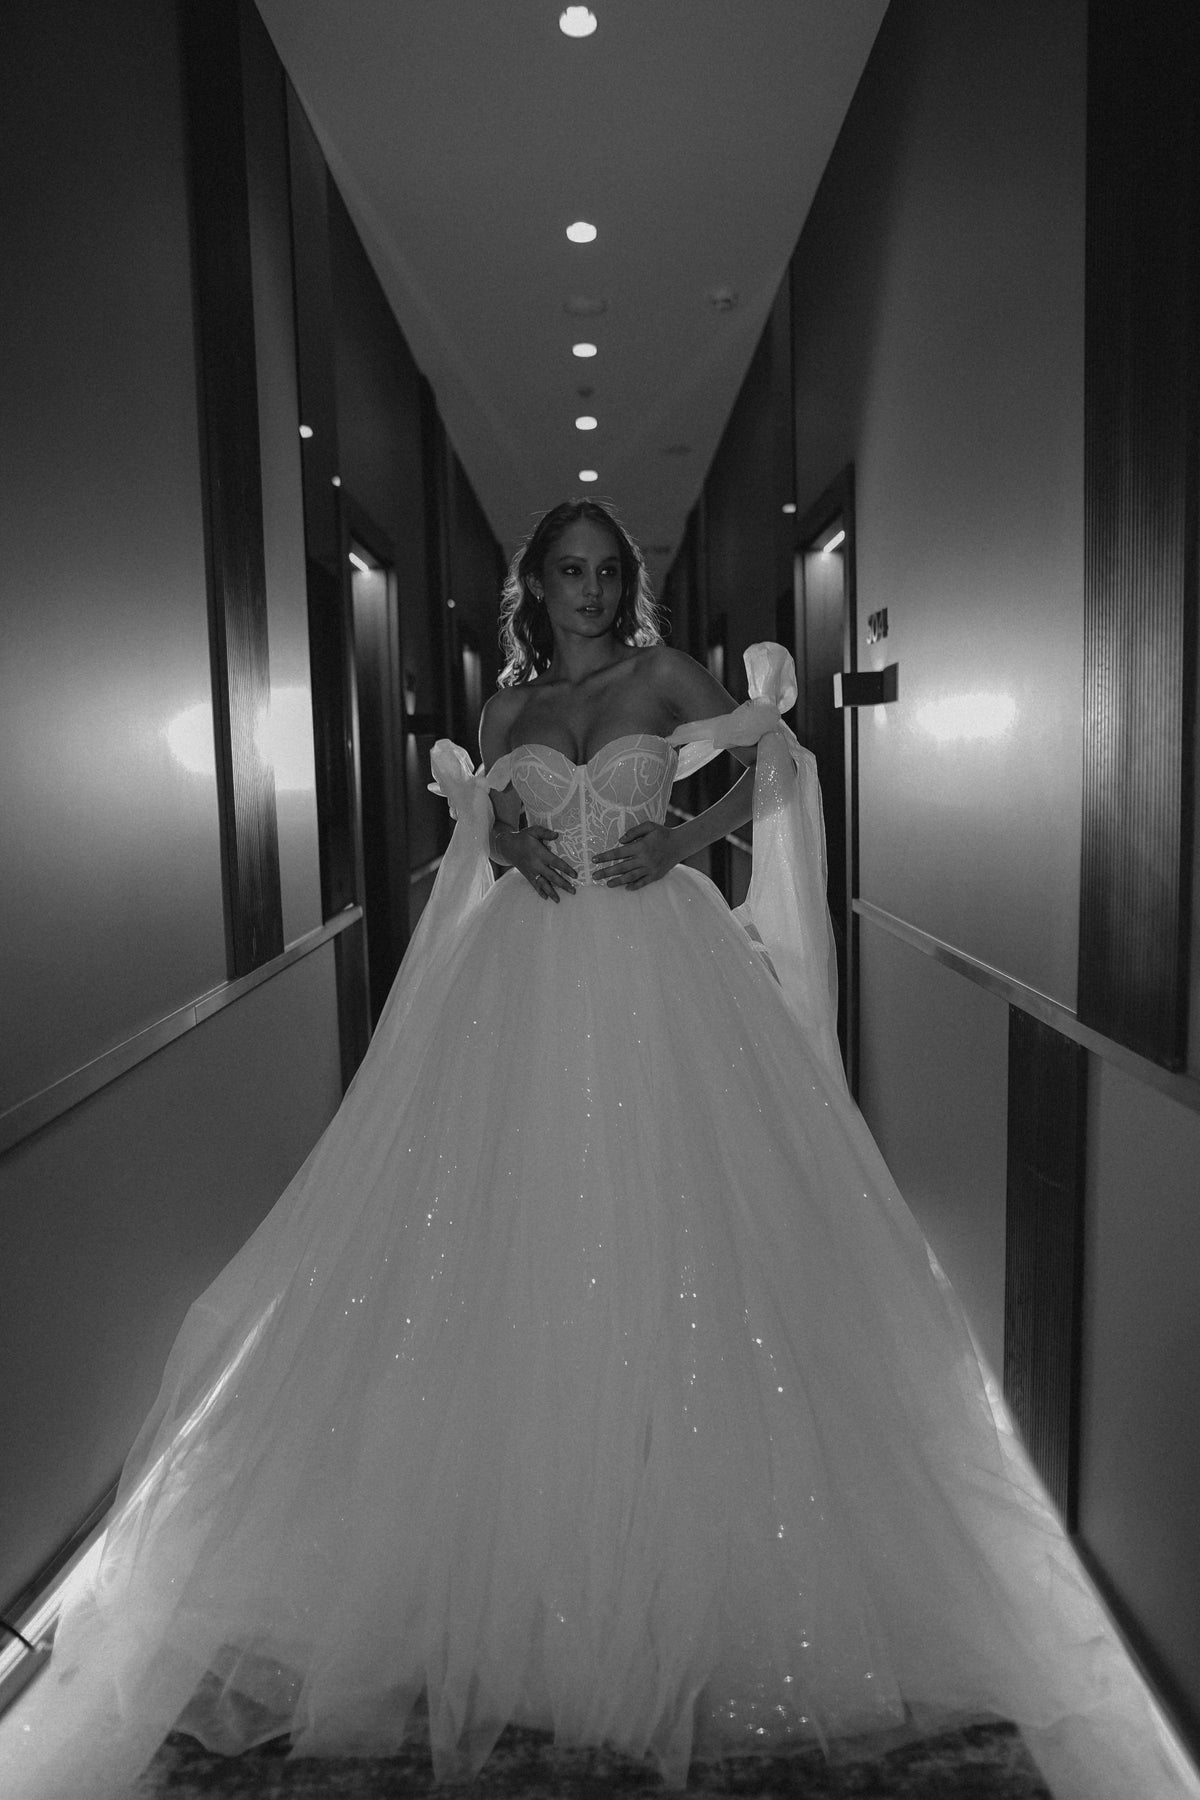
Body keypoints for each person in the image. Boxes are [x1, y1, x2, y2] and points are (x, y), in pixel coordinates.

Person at [3, 500, 1197, 1800]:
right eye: (569, 571)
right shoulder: (505, 707)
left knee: (687, 1222)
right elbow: (478, 831)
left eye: (606, 570)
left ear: (626, 583)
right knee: (505, 1228)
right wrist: (505, 835)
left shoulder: (664, 677)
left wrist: (683, 835)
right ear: (536, 585)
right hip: (519, 979)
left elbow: (777, 763)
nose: (589, 588)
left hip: (661, 963)